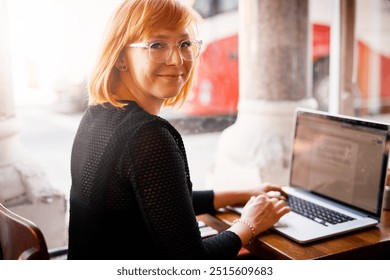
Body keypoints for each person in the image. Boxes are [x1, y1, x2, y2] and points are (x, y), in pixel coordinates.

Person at [67, 0, 290, 260]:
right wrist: (249, 224)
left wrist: (243, 194)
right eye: (157, 45)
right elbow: (193, 261)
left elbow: (162, 201)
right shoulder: (147, 135)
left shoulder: (98, 115)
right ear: (120, 58)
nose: (177, 59)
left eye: (184, 44)